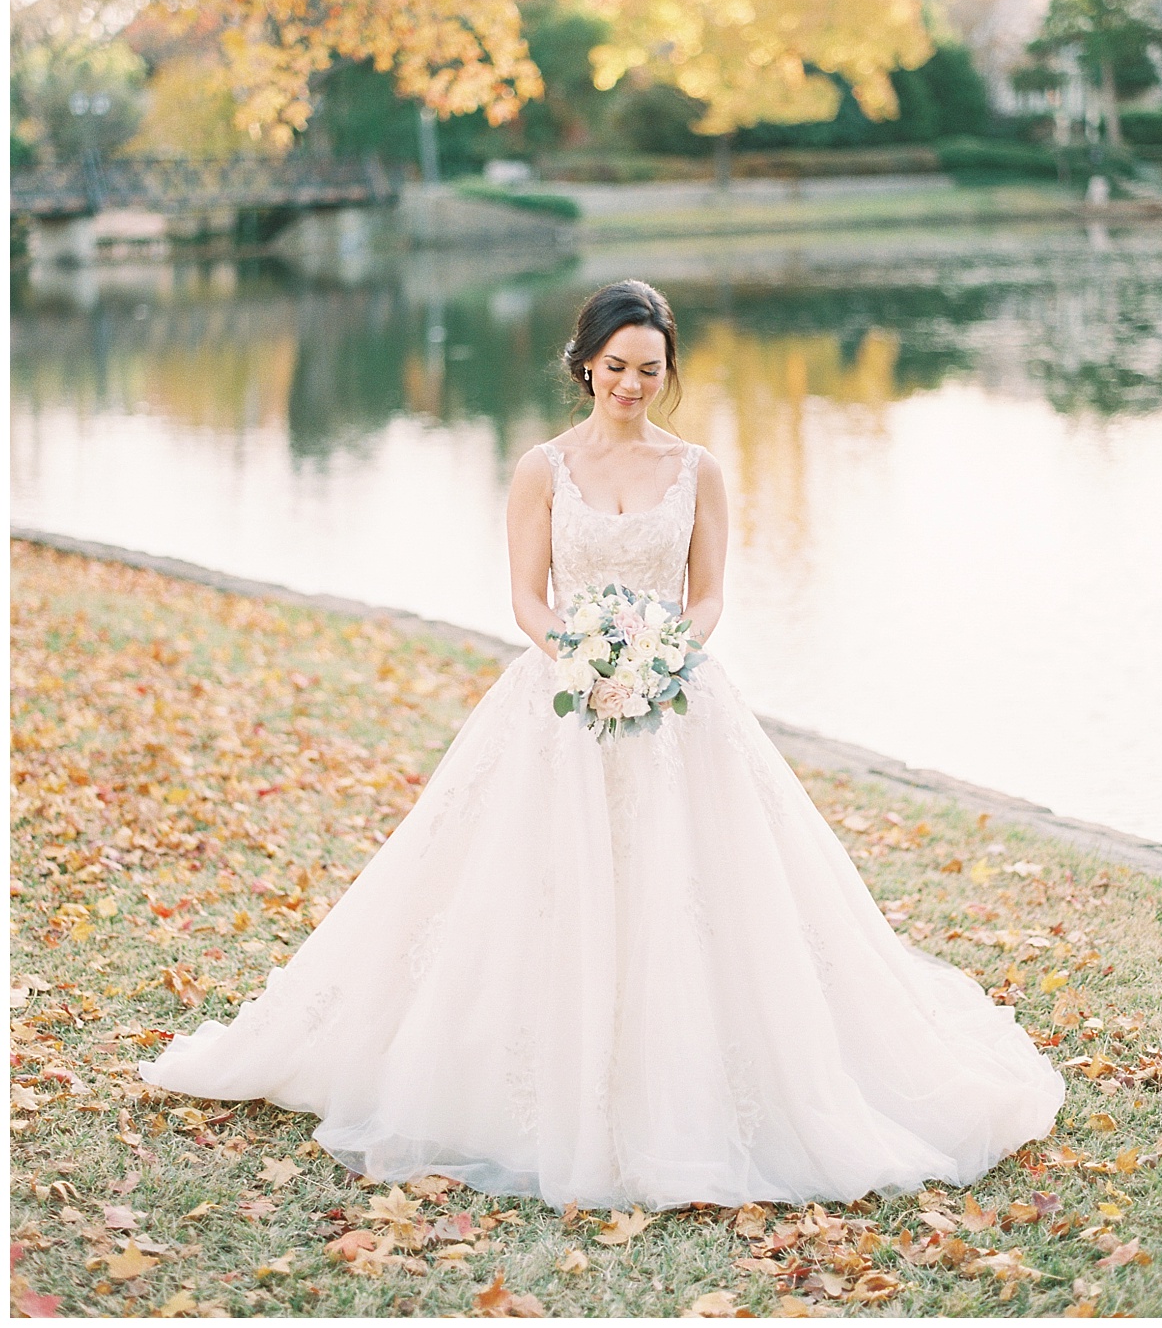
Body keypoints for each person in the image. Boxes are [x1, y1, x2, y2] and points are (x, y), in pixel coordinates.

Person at [141, 278, 1063, 1212]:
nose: (631, 383)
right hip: (561, 704)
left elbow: (707, 595)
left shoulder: (698, 468)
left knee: (698, 897)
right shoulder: (543, 467)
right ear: (586, 363)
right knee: (532, 894)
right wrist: (582, 659)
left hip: (677, 708)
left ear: (669, 372)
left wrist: (665, 655)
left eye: (649, 369)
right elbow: (527, 598)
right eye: (616, 366)